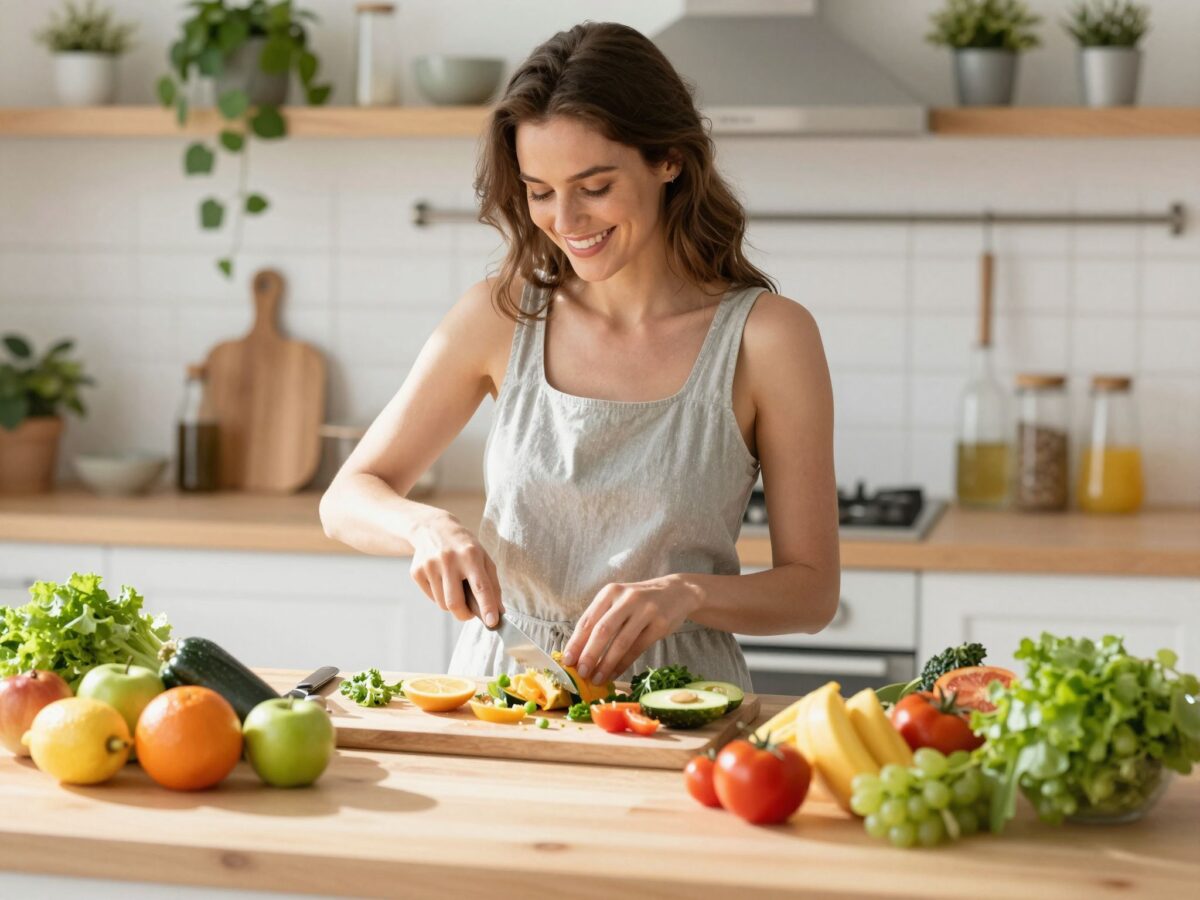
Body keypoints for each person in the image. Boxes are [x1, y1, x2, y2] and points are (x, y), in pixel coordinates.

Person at [319, 21, 839, 691]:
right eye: (539, 191)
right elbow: (347, 499)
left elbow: (813, 592)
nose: (565, 221)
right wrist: (426, 527)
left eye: (593, 187)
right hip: (506, 692)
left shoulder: (769, 338)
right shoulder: (500, 315)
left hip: (677, 704)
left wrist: (688, 594)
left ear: (669, 160)